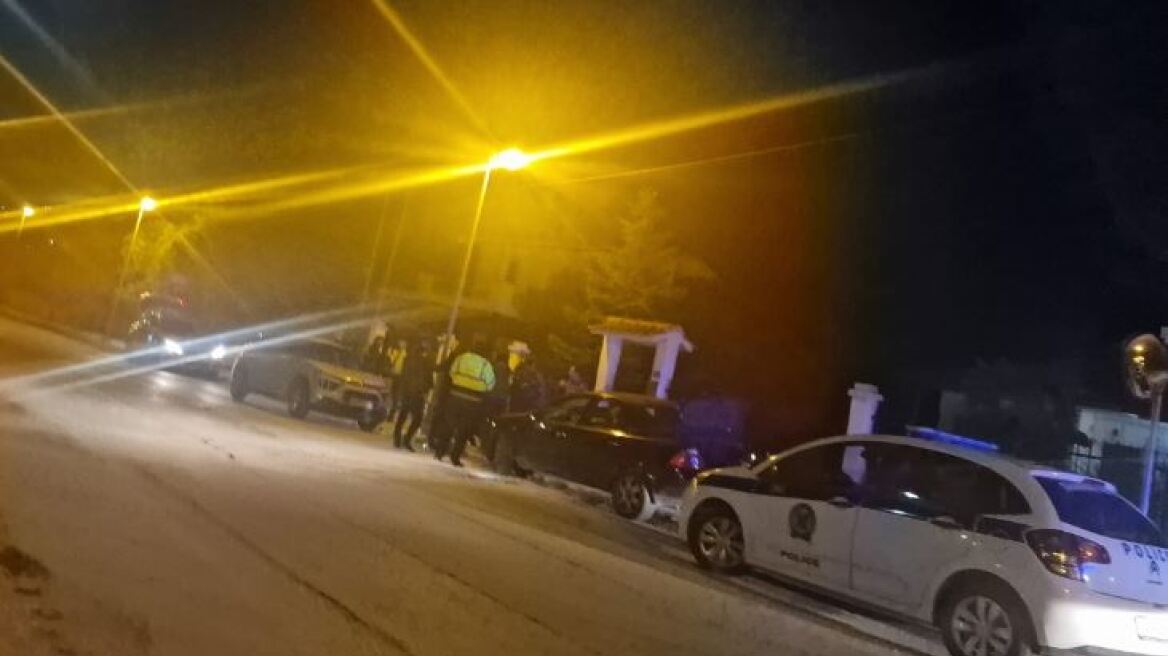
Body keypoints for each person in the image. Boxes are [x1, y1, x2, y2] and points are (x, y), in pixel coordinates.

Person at [434, 335, 495, 467]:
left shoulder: (461, 358)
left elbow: (451, 372)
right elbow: (491, 384)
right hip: (473, 402)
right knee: (464, 431)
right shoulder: (486, 364)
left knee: (448, 425)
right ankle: (455, 457)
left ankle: (440, 451)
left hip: (455, 396)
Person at [393, 340, 432, 451]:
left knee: (403, 415)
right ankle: (406, 439)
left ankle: (397, 438)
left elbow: (402, 376)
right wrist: (426, 390)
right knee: (417, 418)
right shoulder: (425, 363)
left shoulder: (408, 360)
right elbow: (429, 379)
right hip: (417, 394)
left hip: (408, 392)